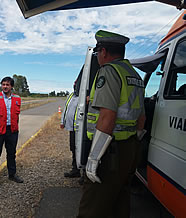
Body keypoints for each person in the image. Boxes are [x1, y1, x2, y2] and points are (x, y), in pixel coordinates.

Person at [77, 30, 146, 218]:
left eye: (98, 53)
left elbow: (107, 116)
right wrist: (133, 145)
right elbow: (141, 118)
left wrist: (94, 158)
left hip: (109, 151)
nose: (98, 57)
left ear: (104, 52)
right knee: (120, 201)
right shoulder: (134, 76)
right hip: (129, 148)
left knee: (92, 206)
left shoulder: (109, 71)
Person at [0, 76, 23, 189]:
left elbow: (16, 115)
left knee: (11, 153)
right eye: (3, 84)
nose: (5, 87)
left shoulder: (17, 99)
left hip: (12, 131)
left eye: (7, 85)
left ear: (11, 86)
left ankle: (12, 174)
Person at [60, 84, 80, 178]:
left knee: (80, 149)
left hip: (80, 129)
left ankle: (81, 171)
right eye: (74, 84)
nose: (75, 85)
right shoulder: (71, 95)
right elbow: (66, 109)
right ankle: (75, 169)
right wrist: (62, 121)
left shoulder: (84, 96)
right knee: (73, 148)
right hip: (72, 128)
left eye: (77, 84)